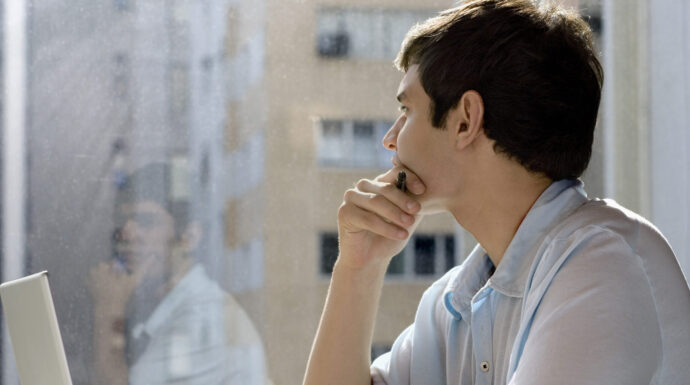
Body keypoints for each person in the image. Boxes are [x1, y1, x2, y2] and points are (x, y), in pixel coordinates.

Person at [303, 1, 690, 384]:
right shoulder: (454, 302)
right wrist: (358, 269)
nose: (390, 139)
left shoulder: (603, 265)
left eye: (407, 111)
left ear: (465, 121)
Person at [88, 162, 269, 385]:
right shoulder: (166, 307)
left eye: (146, 221)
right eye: (123, 224)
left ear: (189, 238)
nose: (128, 234)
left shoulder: (202, 317)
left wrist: (108, 308)